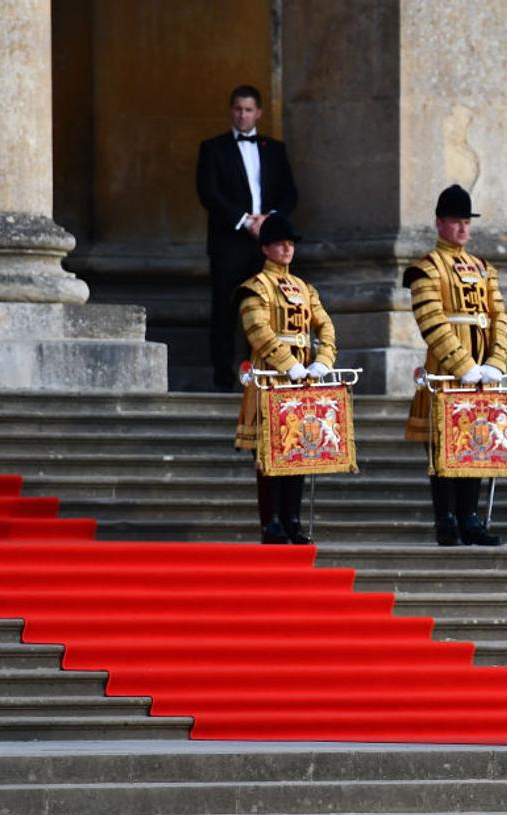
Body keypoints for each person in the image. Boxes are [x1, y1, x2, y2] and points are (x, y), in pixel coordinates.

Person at [403, 184, 507, 547]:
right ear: (439, 223)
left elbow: (499, 318)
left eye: (466, 222)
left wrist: (495, 362)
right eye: (455, 222)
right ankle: (445, 518)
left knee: (477, 446)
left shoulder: (483, 269)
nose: (462, 229)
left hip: (483, 373)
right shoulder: (426, 269)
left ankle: (470, 517)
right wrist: (463, 365)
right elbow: (431, 321)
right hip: (446, 373)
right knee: (443, 449)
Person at [233, 215, 335, 544]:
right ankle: (271, 521)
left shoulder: (305, 289)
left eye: (290, 244)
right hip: (270, 378)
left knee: (299, 449)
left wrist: (323, 361)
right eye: (281, 243)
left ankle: (292, 519)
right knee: (269, 452)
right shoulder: (255, 287)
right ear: (266, 248)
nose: (287, 249)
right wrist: (289, 364)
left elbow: (325, 326)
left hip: (303, 378)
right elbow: (259, 332)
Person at [196, 84, 298, 392]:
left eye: (249, 109)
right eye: (238, 109)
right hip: (229, 242)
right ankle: (223, 379)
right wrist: (244, 221)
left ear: (259, 113)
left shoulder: (275, 149)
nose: (243, 115)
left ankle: (271, 374)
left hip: (266, 243)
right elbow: (209, 193)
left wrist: (269, 220)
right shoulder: (213, 148)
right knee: (226, 308)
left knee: (271, 306)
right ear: (231, 111)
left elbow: (290, 192)